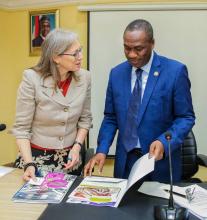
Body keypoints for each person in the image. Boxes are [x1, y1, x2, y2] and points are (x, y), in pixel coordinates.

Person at [84, 19, 195, 183]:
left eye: (138, 49)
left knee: (156, 207)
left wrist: (164, 141)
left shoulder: (175, 71)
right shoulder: (116, 73)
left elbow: (185, 117)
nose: (131, 54)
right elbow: (111, 117)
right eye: (126, 48)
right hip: (125, 161)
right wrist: (102, 150)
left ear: (152, 43)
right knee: (124, 208)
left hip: (160, 162)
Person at [11, 29, 92, 181]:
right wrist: (29, 164)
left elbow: (85, 119)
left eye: (80, 50)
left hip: (71, 158)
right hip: (36, 160)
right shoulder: (32, 78)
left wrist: (77, 146)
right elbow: (22, 129)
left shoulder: (85, 77)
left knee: (67, 205)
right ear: (56, 57)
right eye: (74, 53)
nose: (80, 57)